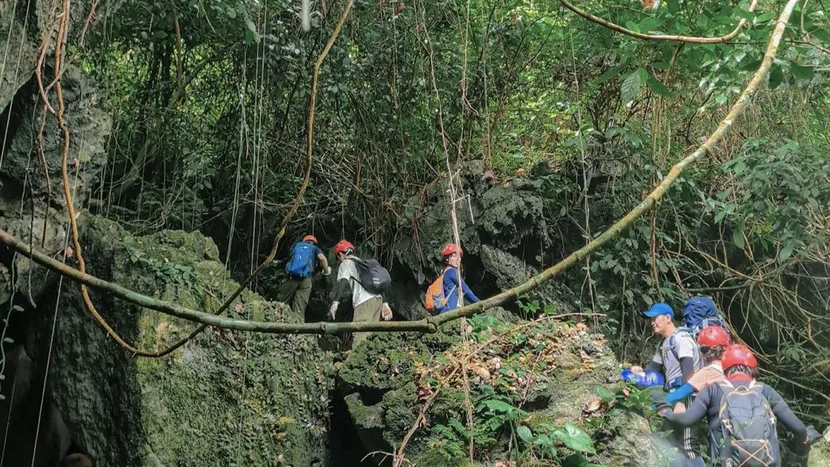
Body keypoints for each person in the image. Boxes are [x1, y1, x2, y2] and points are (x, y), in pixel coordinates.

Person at [661, 345, 811, 466]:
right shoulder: (764, 390)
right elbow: (798, 428)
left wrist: (666, 412)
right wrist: (804, 440)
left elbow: (687, 419)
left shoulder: (713, 389)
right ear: (753, 368)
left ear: (725, 368)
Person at [630, 302, 702, 467]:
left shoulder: (681, 339)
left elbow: (689, 374)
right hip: (671, 397)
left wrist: (680, 402)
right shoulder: (663, 344)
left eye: (655, 317)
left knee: (688, 443)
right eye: (651, 319)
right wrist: (638, 372)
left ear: (668, 318)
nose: (652, 322)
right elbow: (652, 372)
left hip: (688, 397)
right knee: (670, 443)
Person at [328, 240, 392, 348]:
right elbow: (378, 283)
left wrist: (335, 303)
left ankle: (357, 363)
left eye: (338, 257)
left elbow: (343, 282)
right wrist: (385, 305)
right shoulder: (364, 263)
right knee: (372, 334)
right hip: (378, 301)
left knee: (360, 333)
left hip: (364, 302)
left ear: (340, 254)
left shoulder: (346, 263)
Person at [663, 325, 730, 408]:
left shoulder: (707, 373)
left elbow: (679, 394)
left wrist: (652, 407)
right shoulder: (732, 369)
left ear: (704, 352)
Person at [277, 234, 331, 316]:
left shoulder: (297, 247)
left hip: (292, 277)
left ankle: (276, 319)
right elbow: (322, 258)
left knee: (281, 302)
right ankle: (298, 325)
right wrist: (326, 271)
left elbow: (289, 262)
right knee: (300, 306)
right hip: (306, 279)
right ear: (314, 243)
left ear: (304, 241)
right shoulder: (315, 248)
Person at [434, 243, 479, 314]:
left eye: (459, 257)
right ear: (447, 259)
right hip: (451, 310)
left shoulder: (444, 272)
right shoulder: (452, 272)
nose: (458, 259)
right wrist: (479, 303)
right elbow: (465, 289)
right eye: (454, 256)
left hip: (445, 310)